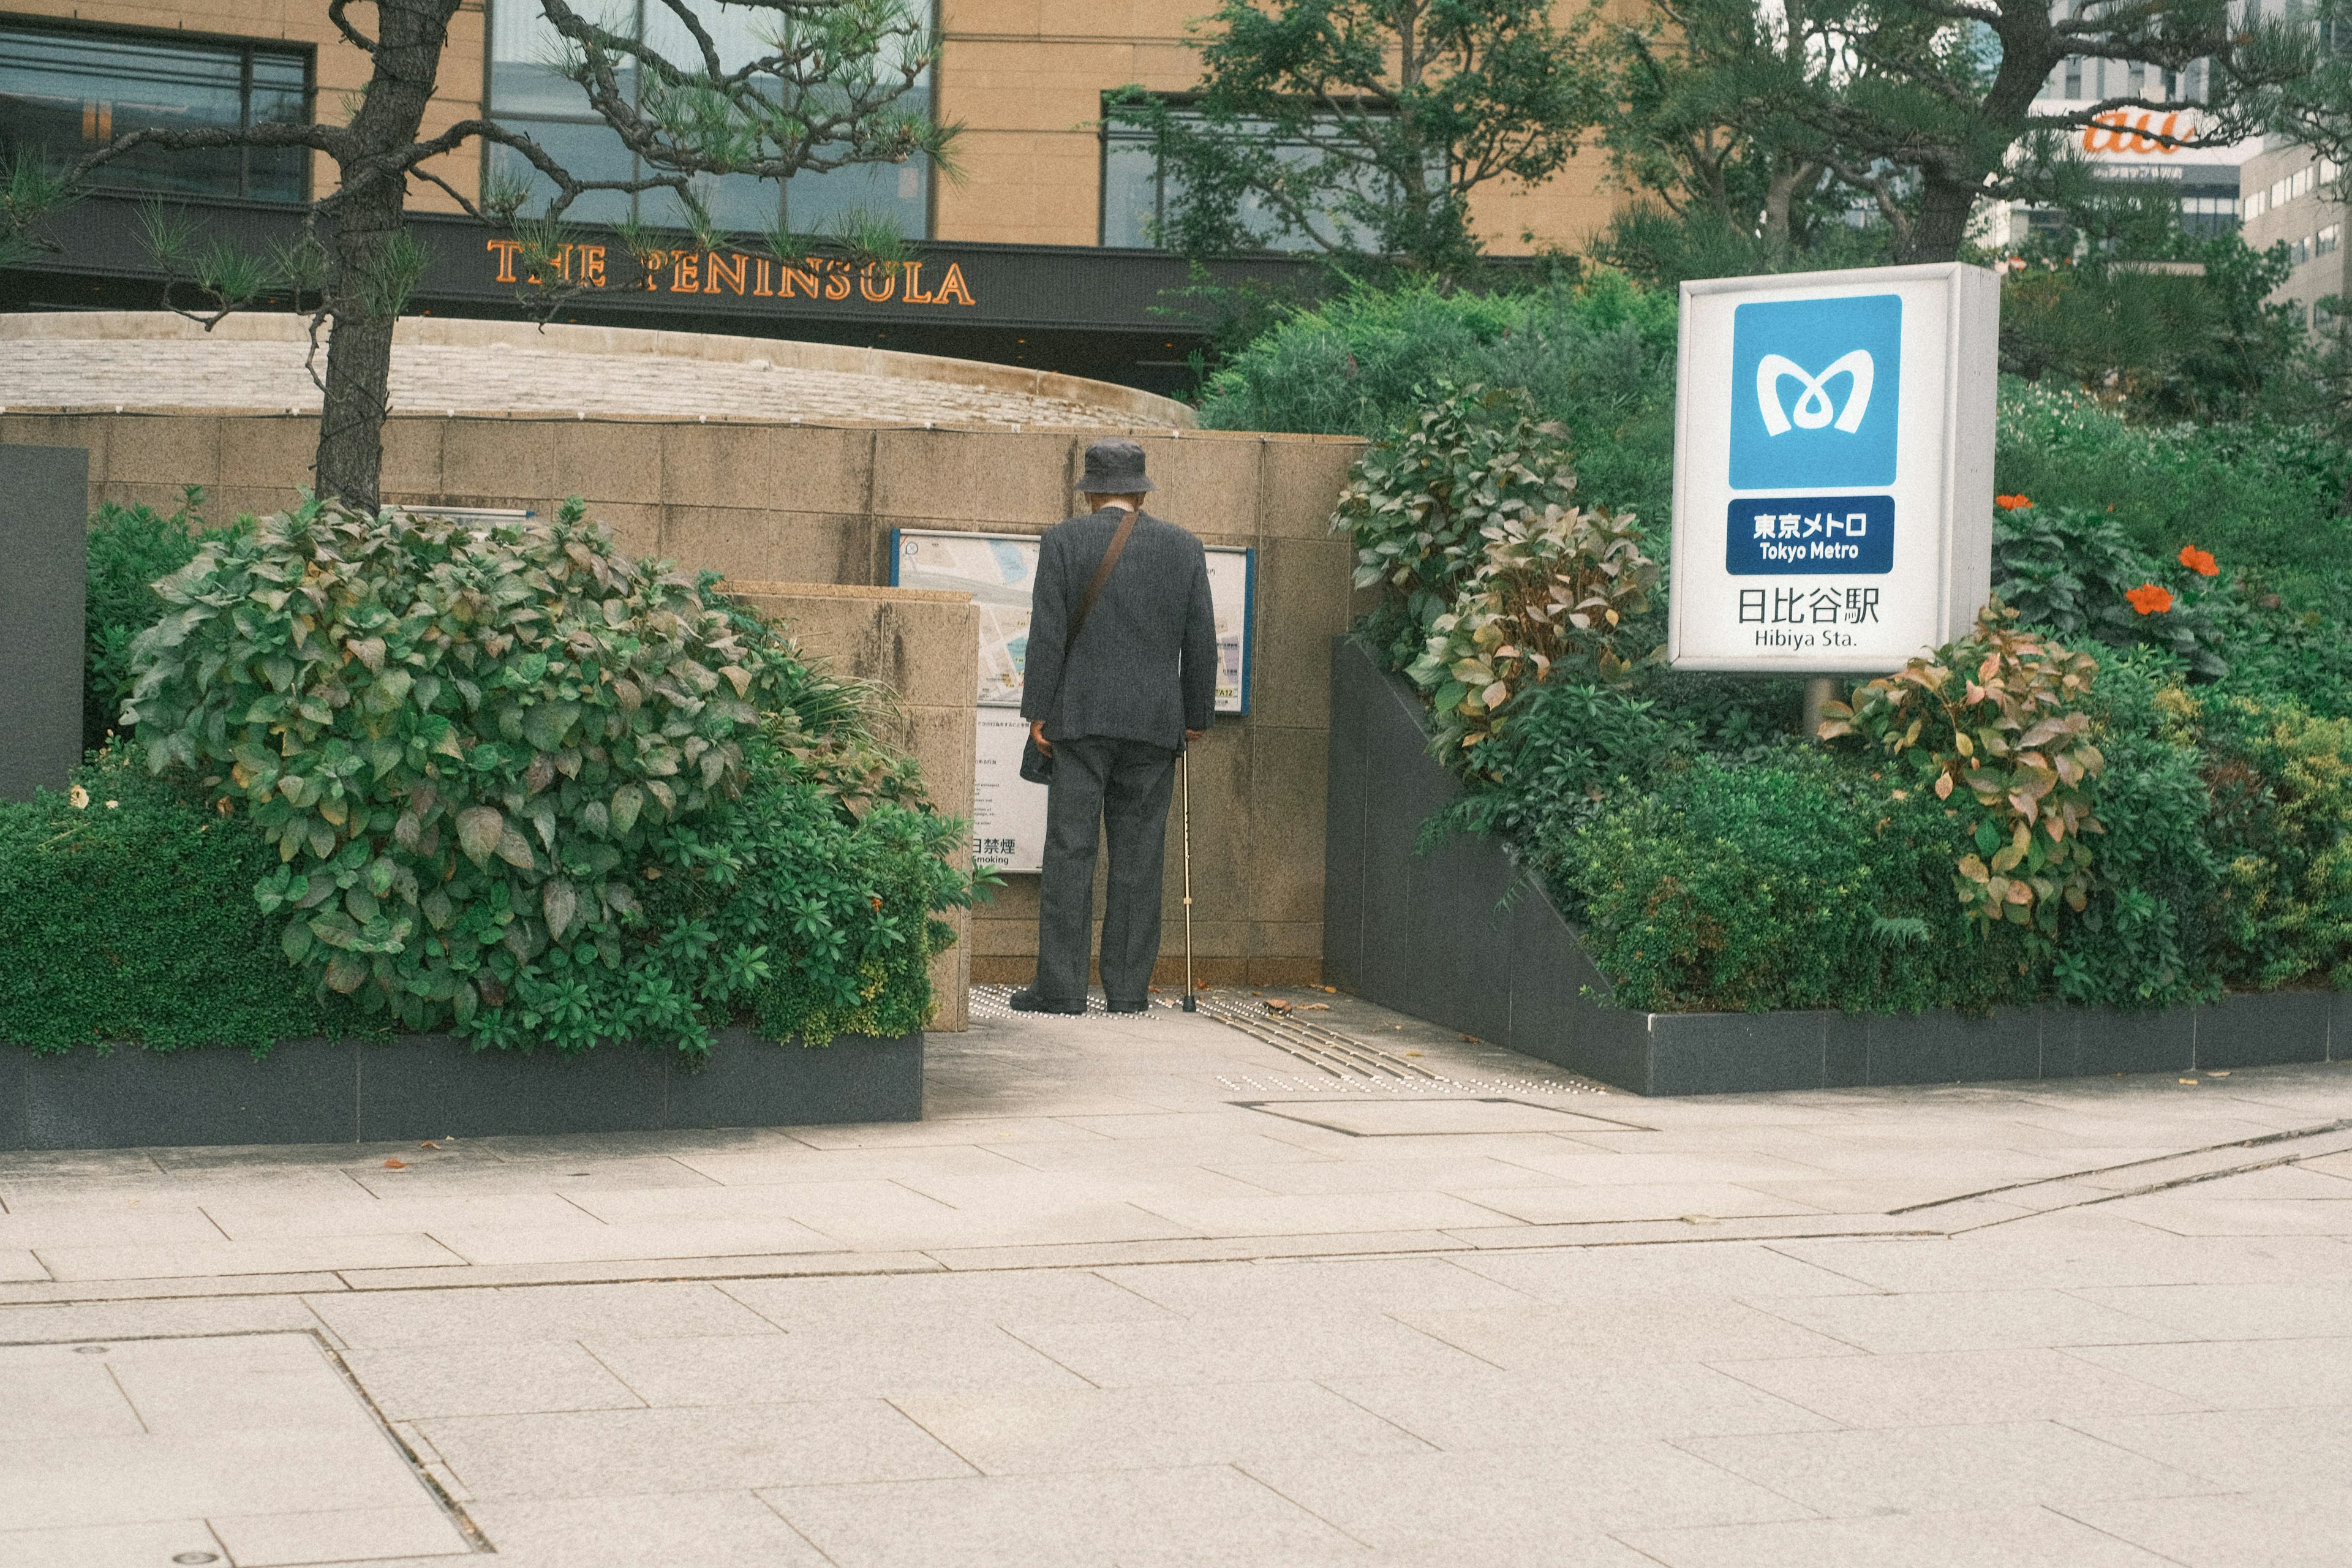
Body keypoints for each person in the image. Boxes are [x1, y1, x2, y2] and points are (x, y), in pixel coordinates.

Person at [1009, 437, 1216, 1015]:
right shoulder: (1184, 547)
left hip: (1080, 719)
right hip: (1153, 724)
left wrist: (1039, 714)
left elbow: (1047, 635)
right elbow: (1200, 639)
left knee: (1072, 851)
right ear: (1140, 492)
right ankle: (1127, 992)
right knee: (1140, 856)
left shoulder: (1064, 541)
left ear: (1092, 491)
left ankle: (1062, 989)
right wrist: (1195, 716)